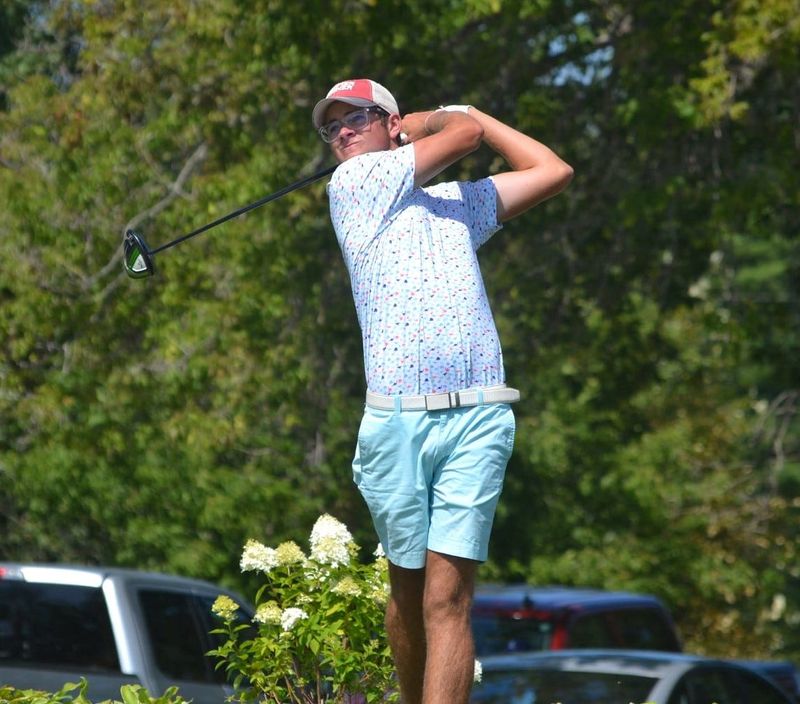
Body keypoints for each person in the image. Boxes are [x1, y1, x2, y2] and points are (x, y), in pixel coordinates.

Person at [312, 78, 572, 704]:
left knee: (446, 597)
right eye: (332, 127)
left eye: (358, 119)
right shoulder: (352, 186)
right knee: (407, 595)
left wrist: (461, 112)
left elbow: (552, 169)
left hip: (479, 415)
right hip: (395, 423)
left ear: (390, 122)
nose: (342, 133)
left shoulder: (456, 203)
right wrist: (446, 119)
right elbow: (466, 135)